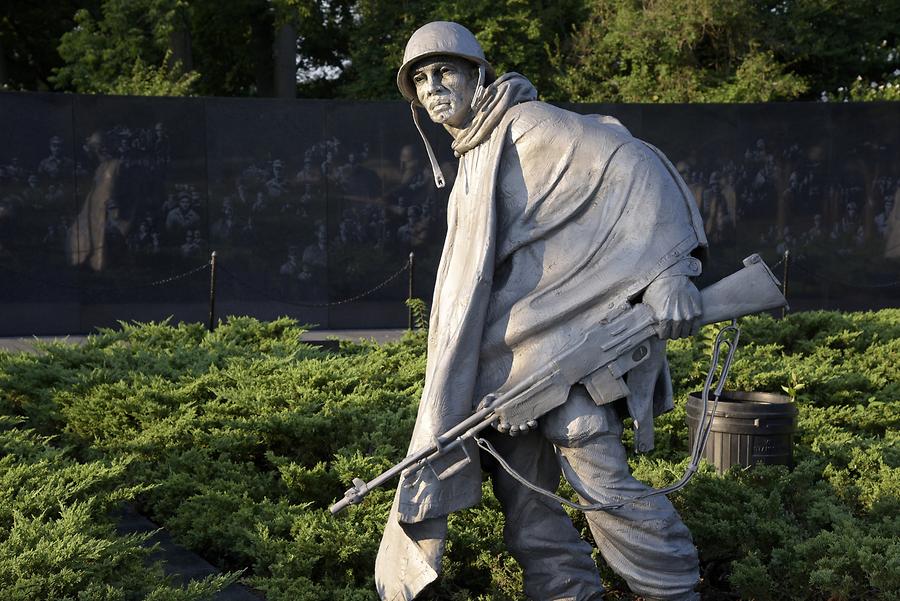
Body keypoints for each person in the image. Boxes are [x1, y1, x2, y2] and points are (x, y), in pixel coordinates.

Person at [376, 21, 708, 601]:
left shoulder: (528, 124)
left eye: (444, 71)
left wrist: (668, 273)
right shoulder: (475, 149)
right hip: (503, 357)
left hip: (570, 340)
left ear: (476, 75)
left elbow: (632, 159)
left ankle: (673, 587)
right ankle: (565, 591)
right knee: (524, 493)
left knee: (593, 462)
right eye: (421, 79)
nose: (433, 87)